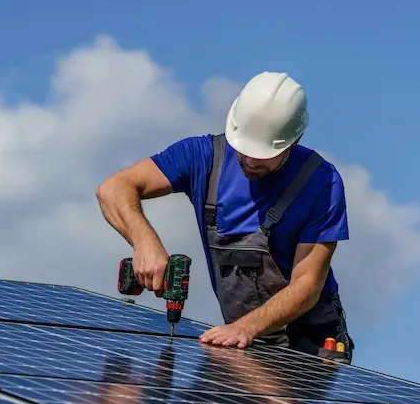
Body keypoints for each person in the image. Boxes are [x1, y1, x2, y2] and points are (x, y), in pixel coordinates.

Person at [95, 71, 355, 362]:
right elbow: (113, 189)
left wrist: (245, 328)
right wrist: (145, 242)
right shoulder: (203, 157)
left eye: (265, 153)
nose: (252, 160)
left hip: (308, 342)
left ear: (293, 141)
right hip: (242, 340)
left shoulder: (321, 182)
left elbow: (307, 285)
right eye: (245, 149)